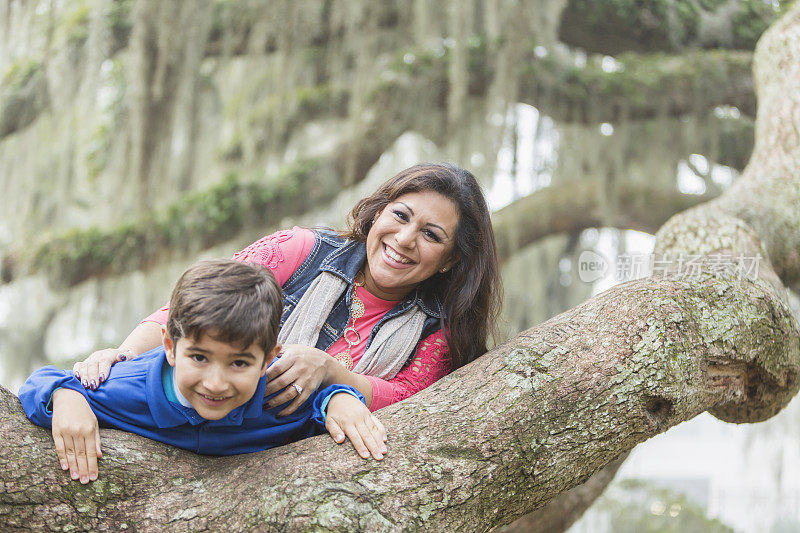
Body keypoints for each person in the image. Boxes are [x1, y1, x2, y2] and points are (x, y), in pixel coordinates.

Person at [68, 162, 502, 462]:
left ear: (449, 260)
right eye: (400, 215)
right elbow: (197, 308)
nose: (405, 238)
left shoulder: (439, 332)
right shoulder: (301, 250)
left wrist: (334, 374)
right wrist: (120, 357)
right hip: (193, 420)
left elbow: (410, 401)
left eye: (430, 234)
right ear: (377, 213)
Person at [19, 259, 387, 484]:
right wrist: (65, 397)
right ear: (169, 346)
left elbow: (317, 400)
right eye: (199, 358)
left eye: (240, 363)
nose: (215, 382)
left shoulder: (275, 394)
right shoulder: (126, 388)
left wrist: (340, 398)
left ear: (268, 359)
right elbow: (41, 382)